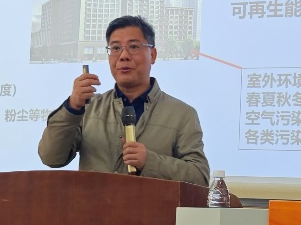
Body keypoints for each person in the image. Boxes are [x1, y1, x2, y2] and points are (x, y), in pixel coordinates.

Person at [38, 15, 210, 187]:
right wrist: (72, 107)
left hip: (152, 205)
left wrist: (149, 161)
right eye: (115, 48)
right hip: (93, 204)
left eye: (133, 47)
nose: (123, 56)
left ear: (153, 54)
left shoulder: (182, 114)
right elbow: (51, 157)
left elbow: (199, 177)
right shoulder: (89, 108)